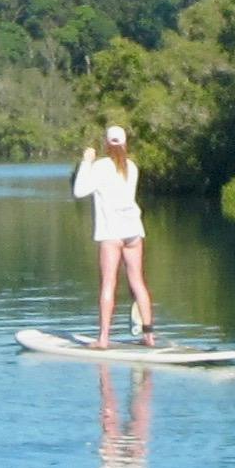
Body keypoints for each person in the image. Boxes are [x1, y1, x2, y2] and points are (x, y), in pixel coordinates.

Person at [72, 122, 157, 347]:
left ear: (106, 144)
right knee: (138, 282)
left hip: (111, 233)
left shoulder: (100, 166)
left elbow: (79, 191)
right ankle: (149, 336)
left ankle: (103, 339)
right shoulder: (132, 167)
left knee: (109, 284)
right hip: (133, 232)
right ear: (125, 143)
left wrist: (86, 162)